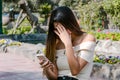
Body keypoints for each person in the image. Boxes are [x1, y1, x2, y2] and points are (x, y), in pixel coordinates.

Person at [39, 6, 96, 80]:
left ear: (70, 24)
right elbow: (54, 77)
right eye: (57, 29)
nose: (60, 32)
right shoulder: (57, 43)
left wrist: (68, 44)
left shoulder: (87, 39)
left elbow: (75, 71)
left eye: (62, 28)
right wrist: (46, 69)